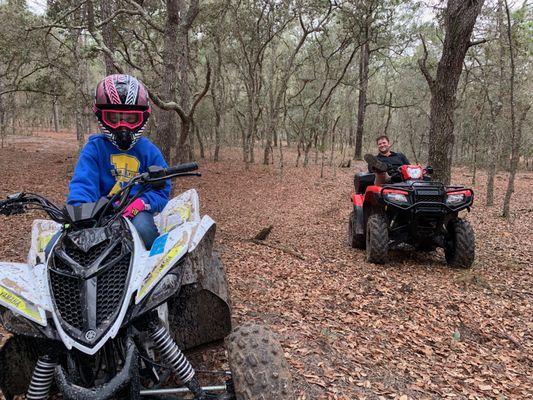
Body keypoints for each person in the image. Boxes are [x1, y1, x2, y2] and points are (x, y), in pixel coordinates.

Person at [66, 74, 170, 249]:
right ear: (101, 116)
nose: (123, 126)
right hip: (99, 212)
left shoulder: (150, 152)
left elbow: (162, 190)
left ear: (142, 118)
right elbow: (82, 185)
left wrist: (142, 203)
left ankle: (157, 270)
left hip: (136, 212)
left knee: (144, 229)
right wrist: (79, 211)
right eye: (113, 118)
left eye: (131, 119)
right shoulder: (94, 150)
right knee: (59, 243)